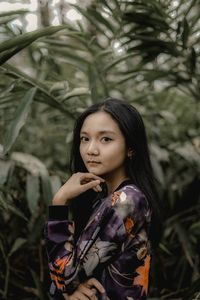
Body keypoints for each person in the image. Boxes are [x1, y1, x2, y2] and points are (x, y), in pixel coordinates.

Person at [44, 98, 162, 300]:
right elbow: (63, 280)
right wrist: (69, 290)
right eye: (85, 139)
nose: (91, 150)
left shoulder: (125, 201)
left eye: (105, 139)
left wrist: (59, 202)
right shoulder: (105, 198)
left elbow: (63, 276)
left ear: (131, 147)